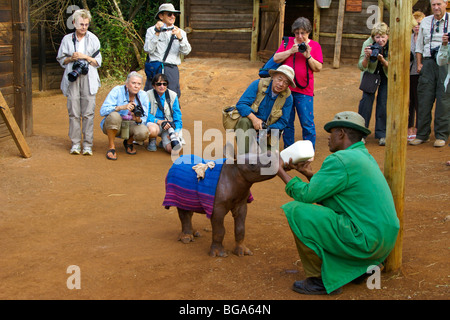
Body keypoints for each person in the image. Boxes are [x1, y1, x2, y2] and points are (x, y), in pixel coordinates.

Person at [277, 111, 399, 295]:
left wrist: (280, 170)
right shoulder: (361, 155)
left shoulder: (340, 159)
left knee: (297, 211)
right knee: (333, 211)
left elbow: (306, 196)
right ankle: (359, 268)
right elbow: (336, 190)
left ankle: (319, 280)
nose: (328, 138)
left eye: (331, 133)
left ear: (341, 133)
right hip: (384, 242)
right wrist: (309, 174)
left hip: (366, 240)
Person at [56, 9, 101, 156]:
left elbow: (98, 62)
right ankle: (75, 144)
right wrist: (72, 58)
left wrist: (84, 57)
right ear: (74, 23)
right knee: (73, 112)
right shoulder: (67, 39)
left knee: (88, 113)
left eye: (86, 24)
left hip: (89, 78)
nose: (84, 27)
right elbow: (61, 60)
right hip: (72, 77)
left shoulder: (93, 39)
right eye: (81, 24)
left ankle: (88, 145)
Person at [273, 17, 323, 150]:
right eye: (297, 33)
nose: (300, 36)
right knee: (287, 122)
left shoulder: (315, 46)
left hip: (304, 91)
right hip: (285, 89)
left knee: (307, 122)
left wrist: (308, 56)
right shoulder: (287, 43)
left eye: (303, 33)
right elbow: (275, 58)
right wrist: (290, 51)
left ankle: (308, 151)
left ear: (308, 33)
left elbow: (318, 68)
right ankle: (289, 149)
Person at [411, 0, 449, 147]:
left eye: (439, 4)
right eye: (433, 4)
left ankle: (441, 135)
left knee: (444, 99)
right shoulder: (426, 21)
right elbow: (419, 44)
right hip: (427, 62)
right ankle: (422, 134)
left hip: (446, 63)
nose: (436, 7)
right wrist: (419, 63)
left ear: (446, 3)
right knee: (424, 98)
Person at [234, 65, 294, 154]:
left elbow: (283, 122)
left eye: (285, 82)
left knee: (268, 162)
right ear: (273, 76)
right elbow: (241, 104)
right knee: (244, 121)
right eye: (279, 79)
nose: (281, 84)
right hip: (251, 124)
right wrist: (254, 119)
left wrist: (269, 129)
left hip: (268, 131)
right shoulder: (258, 84)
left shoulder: (288, 98)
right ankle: (244, 156)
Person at [143, 3, 192, 96]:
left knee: (173, 96)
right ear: (161, 16)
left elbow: (186, 51)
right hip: (155, 68)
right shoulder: (151, 30)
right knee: (150, 96)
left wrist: (180, 38)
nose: (173, 16)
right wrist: (157, 33)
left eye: (174, 14)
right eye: (169, 14)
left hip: (171, 68)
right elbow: (148, 49)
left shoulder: (180, 32)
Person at [99, 72, 149, 160]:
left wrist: (137, 119)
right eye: (133, 83)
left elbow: (145, 118)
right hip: (114, 125)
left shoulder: (143, 95)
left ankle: (129, 142)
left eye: (139, 84)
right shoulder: (117, 90)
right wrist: (120, 108)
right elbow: (102, 111)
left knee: (143, 131)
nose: (136, 86)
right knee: (114, 116)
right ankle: (111, 147)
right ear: (126, 84)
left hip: (130, 125)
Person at [357, 22, 389, 146]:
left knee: (383, 103)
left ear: (388, 36)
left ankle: (382, 134)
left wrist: (382, 60)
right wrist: (366, 57)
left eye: (383, 37)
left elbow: (395, 67)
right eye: (377, 37)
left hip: (385, 74)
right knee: (366, 102)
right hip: (371, 74)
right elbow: (361, 66)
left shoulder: (392, 45)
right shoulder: (367, 44)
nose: (380, 40)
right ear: (373, 37)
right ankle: (361, 133)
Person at [146, 73, 183, 154]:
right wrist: (158, 121)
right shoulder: (147, 95)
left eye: (164, 84)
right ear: (153, 85)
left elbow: (177, 116)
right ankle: (152, 139)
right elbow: (146, 114)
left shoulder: (173, 95)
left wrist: (175, 132)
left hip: (168, 126)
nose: (162, 86)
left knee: (175, 150)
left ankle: (164, 141)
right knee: (152, 130)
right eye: (159, 84)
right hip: (155, 124)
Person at [408, 11, 426, 142]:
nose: (417, 26)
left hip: (421, 73)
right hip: (409, 73)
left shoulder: (426, 38)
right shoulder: (408, 38)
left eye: (419, 23)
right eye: (414, 24)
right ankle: (410, 127)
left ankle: (420, 128)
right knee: (410, 101)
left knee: (420, 101)